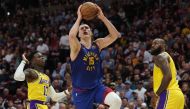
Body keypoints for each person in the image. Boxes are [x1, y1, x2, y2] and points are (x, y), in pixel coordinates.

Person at [69, 4, 121, 109]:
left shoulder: (97, 44)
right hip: (81, 92)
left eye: (87, 27)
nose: (84, 29)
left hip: (97, 88)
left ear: (91, 32)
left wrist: (103, 18)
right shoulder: (76, 48)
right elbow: (71, 35)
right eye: (81, 28)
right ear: (78, 35)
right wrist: (79, 18)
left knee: (116, 101)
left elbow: (115, 35)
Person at [150, 38, 184, 109]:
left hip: (168, 93)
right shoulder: (166, 56)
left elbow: (168, 76)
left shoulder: (161, 56)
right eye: (152, 44)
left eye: (156, 43)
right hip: (177, 95)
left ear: (163, 46)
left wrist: (156, 94)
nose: (152, 45)